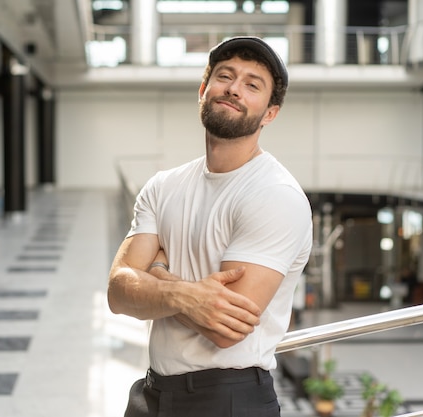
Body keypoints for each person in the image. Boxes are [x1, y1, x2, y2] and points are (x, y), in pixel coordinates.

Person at [108, 36, 313, 417]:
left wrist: (157, 273)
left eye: (253, 85)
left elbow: (224, 328)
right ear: (203, 90)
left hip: (228, 399)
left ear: (269, 113)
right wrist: (187, 297)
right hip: (153, 394)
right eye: (225, 76)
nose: (234, 89)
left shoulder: (274, 195)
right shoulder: (163, 186)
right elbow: (118, 292)